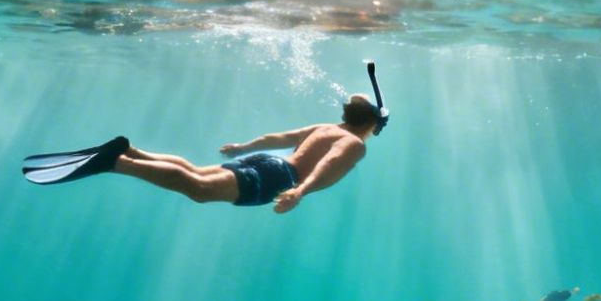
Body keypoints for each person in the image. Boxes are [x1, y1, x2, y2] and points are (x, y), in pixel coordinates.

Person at [22, 94, 383, 213]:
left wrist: (245, 147)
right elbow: (331, 163)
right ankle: (117, 163)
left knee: (195, 171)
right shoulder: (354, 144)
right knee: (198, 189)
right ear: (374, 125)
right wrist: (299, 192)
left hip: (268, 164)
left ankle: (133, 152)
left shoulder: (327, 126)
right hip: (281, 177)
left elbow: (282, 136)